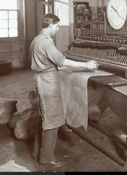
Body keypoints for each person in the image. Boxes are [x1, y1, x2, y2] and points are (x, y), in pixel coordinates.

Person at [30, 13, 98, 167]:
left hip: (42, 79)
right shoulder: (47, 44)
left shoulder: (37, 39)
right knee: (52, 121)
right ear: (51, 25)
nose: (58, 29)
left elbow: (55, 62)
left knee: (44, 117)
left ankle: (37, 152)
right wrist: (86, 65)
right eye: (57, 26)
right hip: (48, 82)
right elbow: (61, 60)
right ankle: (47, 159)